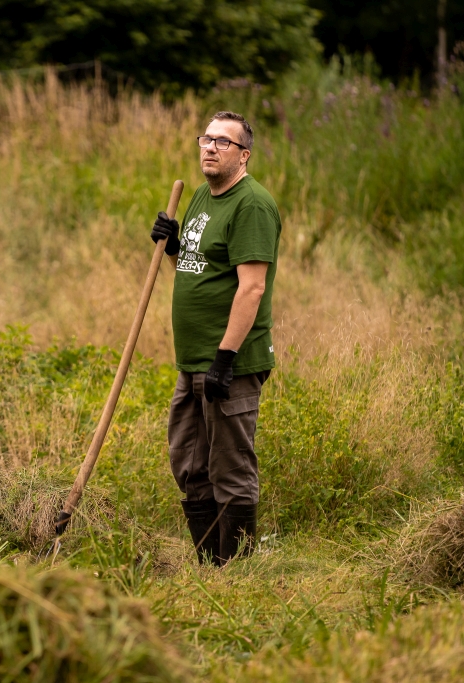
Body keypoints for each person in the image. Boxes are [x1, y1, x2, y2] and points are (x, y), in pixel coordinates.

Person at [151, 111, 281, 567]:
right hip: (192, 360)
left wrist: (224, 359)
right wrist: (172, 246)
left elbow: (252, 287)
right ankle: (212, 566)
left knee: (230, 468)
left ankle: (238, 573)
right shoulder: (203, 198)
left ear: (243, 156)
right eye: (206, 138)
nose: (209, 147)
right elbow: (192, 269)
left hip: (228, 362)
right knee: (189, 463)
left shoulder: (253, 205)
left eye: (222, 142)